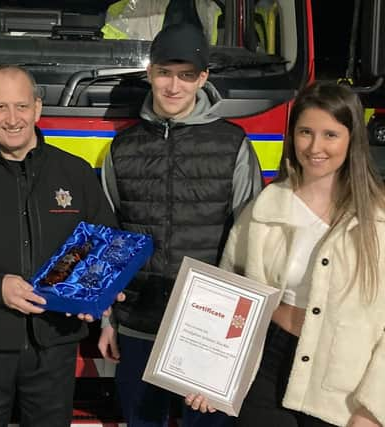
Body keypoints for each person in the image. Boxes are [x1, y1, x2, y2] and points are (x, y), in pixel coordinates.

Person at [186, 82, 385, 427]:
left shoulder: (378, 219)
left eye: (330, 135)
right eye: (305, 132)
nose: (315, 147)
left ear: (352, 139)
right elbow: (227, 296)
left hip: (340, 383)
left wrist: (372, 408)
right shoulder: (265, 207)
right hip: (267, 363)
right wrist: (210, 375)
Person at [0, 65, 117, 427]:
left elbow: (106, 247)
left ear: (36, 108)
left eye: (20, 106)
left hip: (55, 344)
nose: (12, 118)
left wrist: (91, 294)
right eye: (0, 107)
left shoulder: (74, 174)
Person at [97, 23, 263, 427]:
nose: (174, 86)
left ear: (202, 78)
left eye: (187, 75)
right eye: (165, 73)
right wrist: (107, 319)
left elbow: (250, 245)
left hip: (209, 335)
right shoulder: (122, 149)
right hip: (140, 326)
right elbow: (111, 241)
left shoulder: (233, 145)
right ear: (151, 72)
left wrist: (238, 341)